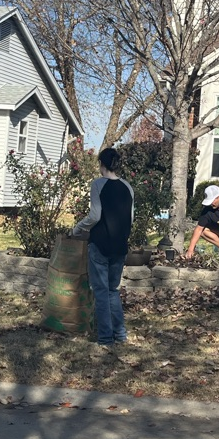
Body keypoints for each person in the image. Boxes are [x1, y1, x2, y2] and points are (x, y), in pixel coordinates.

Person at [72, 147, 134, 346]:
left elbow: (95, 216)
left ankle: (105, 338)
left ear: (102, 164)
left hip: (100, 244)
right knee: (112, 290)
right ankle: (120, 335)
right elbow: (131, 219)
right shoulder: (127, 187)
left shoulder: (98, 185)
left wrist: (77, 228)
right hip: (120, 246)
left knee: (100, 292)